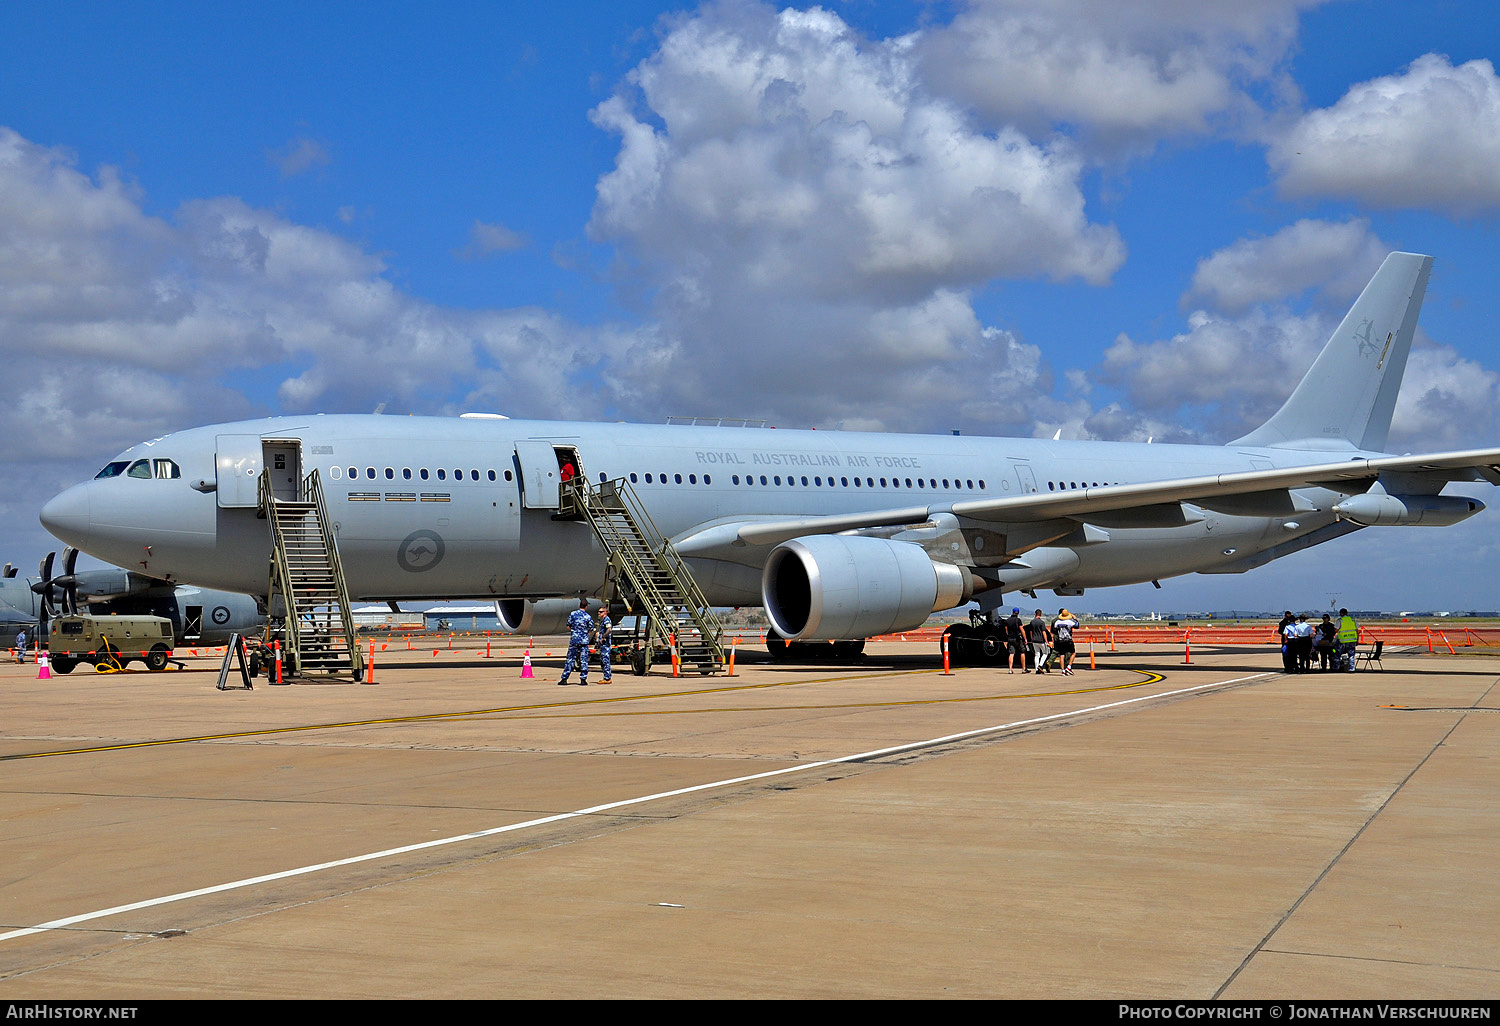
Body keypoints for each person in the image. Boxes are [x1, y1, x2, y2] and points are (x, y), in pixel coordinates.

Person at [557, 599, 592, 686]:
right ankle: (583, 679)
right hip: (584, 641)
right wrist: (584, 632)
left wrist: (575, 630)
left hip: (574, 640)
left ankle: (564, 678)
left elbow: (568, 626)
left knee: (570, 659)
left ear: (579, 605)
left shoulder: (573, 614)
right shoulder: (588, 616)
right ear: (586, 606)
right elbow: (591, 629)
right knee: (584, 660)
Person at [1051, 609, 1079, 675]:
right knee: (1073, 653)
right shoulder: (1069, 622)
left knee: (1061, 655)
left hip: (1061, 640)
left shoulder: (1057, 622)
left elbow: (1055, 629)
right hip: (1068, 640)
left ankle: (1063, 670)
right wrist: (1075, 619)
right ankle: (1069, 667)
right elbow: (1077, 626)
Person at [1027, 609, 1052, 674]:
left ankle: (1036, 669)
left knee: (1037, 654)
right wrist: (1046, 641)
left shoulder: (1032, 622)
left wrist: (1032, 638)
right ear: (1040, 614)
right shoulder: (1041, 622)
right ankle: (1040, 665)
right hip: (1041, 640)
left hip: (1034, 640)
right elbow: (1044, 632)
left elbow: (1031, 632)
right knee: (1045, 653)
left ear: (1035, 614)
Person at [1005, 607, 1026, 674]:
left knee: (1011, 653)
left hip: (1010, 638)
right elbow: (1022, 630)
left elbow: (1006, 630)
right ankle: (1023, 669)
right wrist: (1025, 638)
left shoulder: (1007, 620)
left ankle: (1010, 669)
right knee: (1022, 652)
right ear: (1018, 613)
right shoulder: (1018, 620)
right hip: (1017, 639)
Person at [596, 606, 613, 684]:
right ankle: (606, 677)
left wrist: (603, 637)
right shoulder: (603, 621)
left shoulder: (606, 620)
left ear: (605, 612)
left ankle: (607, 678)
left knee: (605, 660)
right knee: (603, 660)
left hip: (605, 644)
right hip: (603, 644)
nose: (599, 613)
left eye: (601, 612)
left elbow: (609, 629)